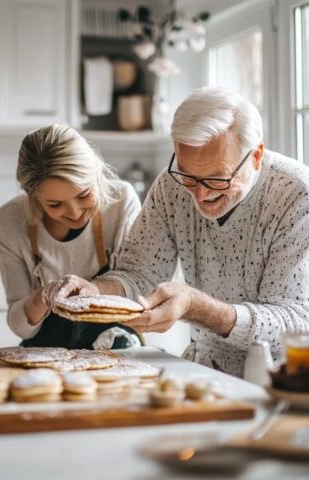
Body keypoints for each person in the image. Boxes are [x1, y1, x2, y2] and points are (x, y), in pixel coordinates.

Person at [44, 87, 309, 377]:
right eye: (188, 176)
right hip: (207, 369)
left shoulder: (297, 196)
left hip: (286, 377)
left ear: (256, 155)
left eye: (217, 179)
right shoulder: (171, 186)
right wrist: (98, 289)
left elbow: (293, 322)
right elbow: (138, 274)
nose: (200, 195)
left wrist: (197, 307)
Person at [0, 124, 141, 349]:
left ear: (95, 174)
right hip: (45, 349)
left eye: (84, 195)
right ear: (32, 197)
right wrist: (44, 296)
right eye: (55, 204)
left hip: (114, 341)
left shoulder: (120, 202)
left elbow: (138, 290)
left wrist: (97, 289)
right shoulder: (7, 224)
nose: (75, 212)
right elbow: (19, 325)